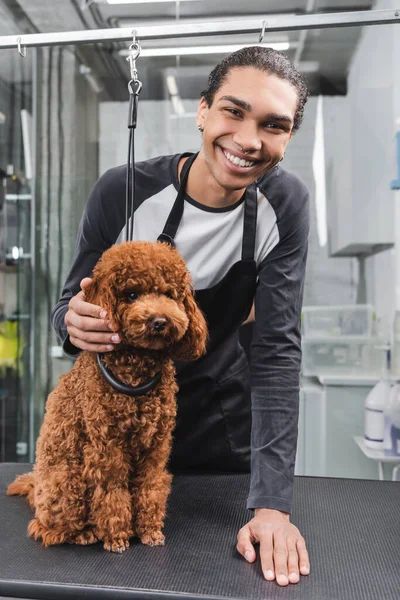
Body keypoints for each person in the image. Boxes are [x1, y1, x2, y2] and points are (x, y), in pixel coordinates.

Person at [52, 46, 310, 586]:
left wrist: (272, 508)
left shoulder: (283, 205)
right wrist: (70, 323)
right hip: (115, 423)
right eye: (233, 112)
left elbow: (276, 349)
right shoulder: (122, 191)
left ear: (287, 138)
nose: (248, 140)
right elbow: (67, 307)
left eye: (273, 126)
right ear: (202, 110)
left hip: (220, 436)